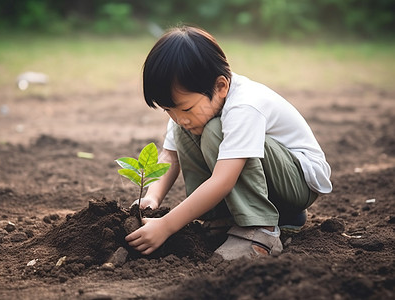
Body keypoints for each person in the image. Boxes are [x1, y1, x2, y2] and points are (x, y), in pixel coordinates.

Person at [125, 25, 332, 260]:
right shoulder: (187, 115)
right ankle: (222, 218)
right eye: (167, 110)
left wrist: (166, 226)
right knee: (186, 132)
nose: (178, 117)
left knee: (215, 130)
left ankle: (260, 229)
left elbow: (223, 180)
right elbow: (169, 157)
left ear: (221, 86)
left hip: (297, 184)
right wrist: (152, 197)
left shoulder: (244, 106)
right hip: (272, 181)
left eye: (185, 108)